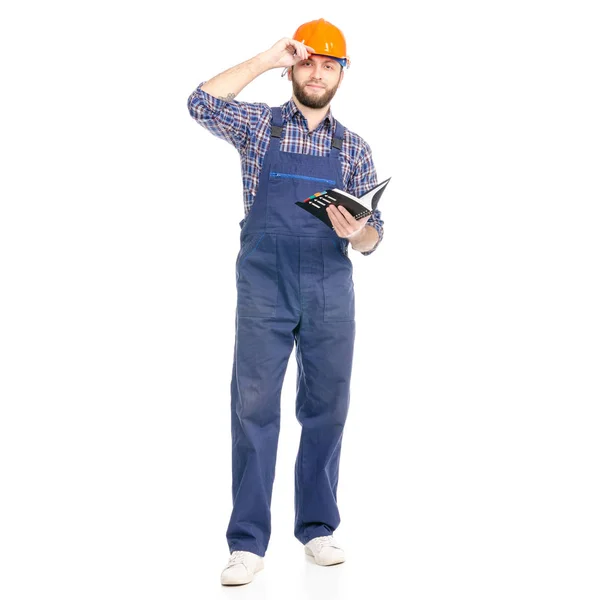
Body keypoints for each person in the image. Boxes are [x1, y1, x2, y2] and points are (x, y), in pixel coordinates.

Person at [187, 17, 385, 586]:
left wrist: (358, 232)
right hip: (264, 284)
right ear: (293, 67)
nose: (317, 72)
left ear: (341, 74)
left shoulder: (354, 148)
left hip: (329, 285)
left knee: (328, 406)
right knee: (252, 407)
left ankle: (318, 528)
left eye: (329, 64)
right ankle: (246, 542)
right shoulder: (259, 128)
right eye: (306, 61)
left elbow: (377, 238)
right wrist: (265, 57)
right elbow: (200, 103)